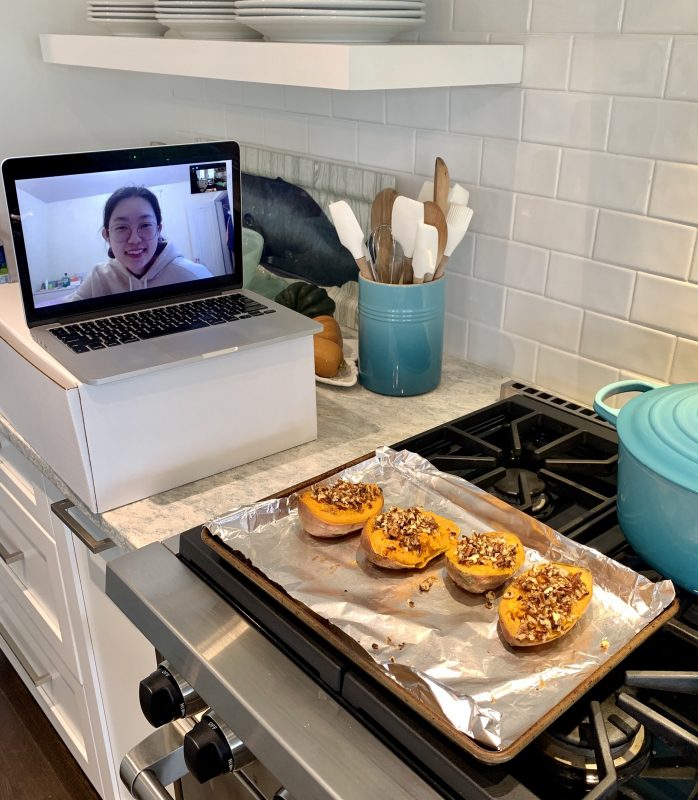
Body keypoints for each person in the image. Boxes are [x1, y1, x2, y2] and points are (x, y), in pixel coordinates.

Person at [70, 186, 211, 301]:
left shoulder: (192, 275)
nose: (135, 239)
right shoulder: (99, 277)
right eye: (122, 227)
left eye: (145, 225)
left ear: (158, 229)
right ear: (107, 235)